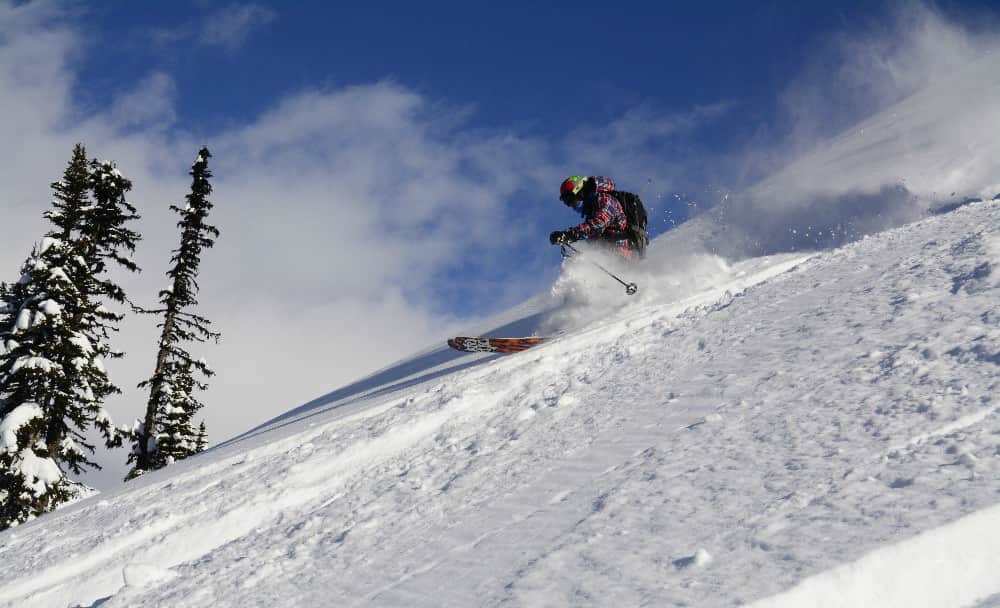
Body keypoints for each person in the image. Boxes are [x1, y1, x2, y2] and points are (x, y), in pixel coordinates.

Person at [549, 175, 635, 258]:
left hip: (622, 255)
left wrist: (569, 235)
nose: (571, 205)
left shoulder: (605, 199)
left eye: (570, 199)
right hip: (608, 254)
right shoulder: (592, 210)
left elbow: (598, 224)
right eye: (567, 202)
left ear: (579, 191)